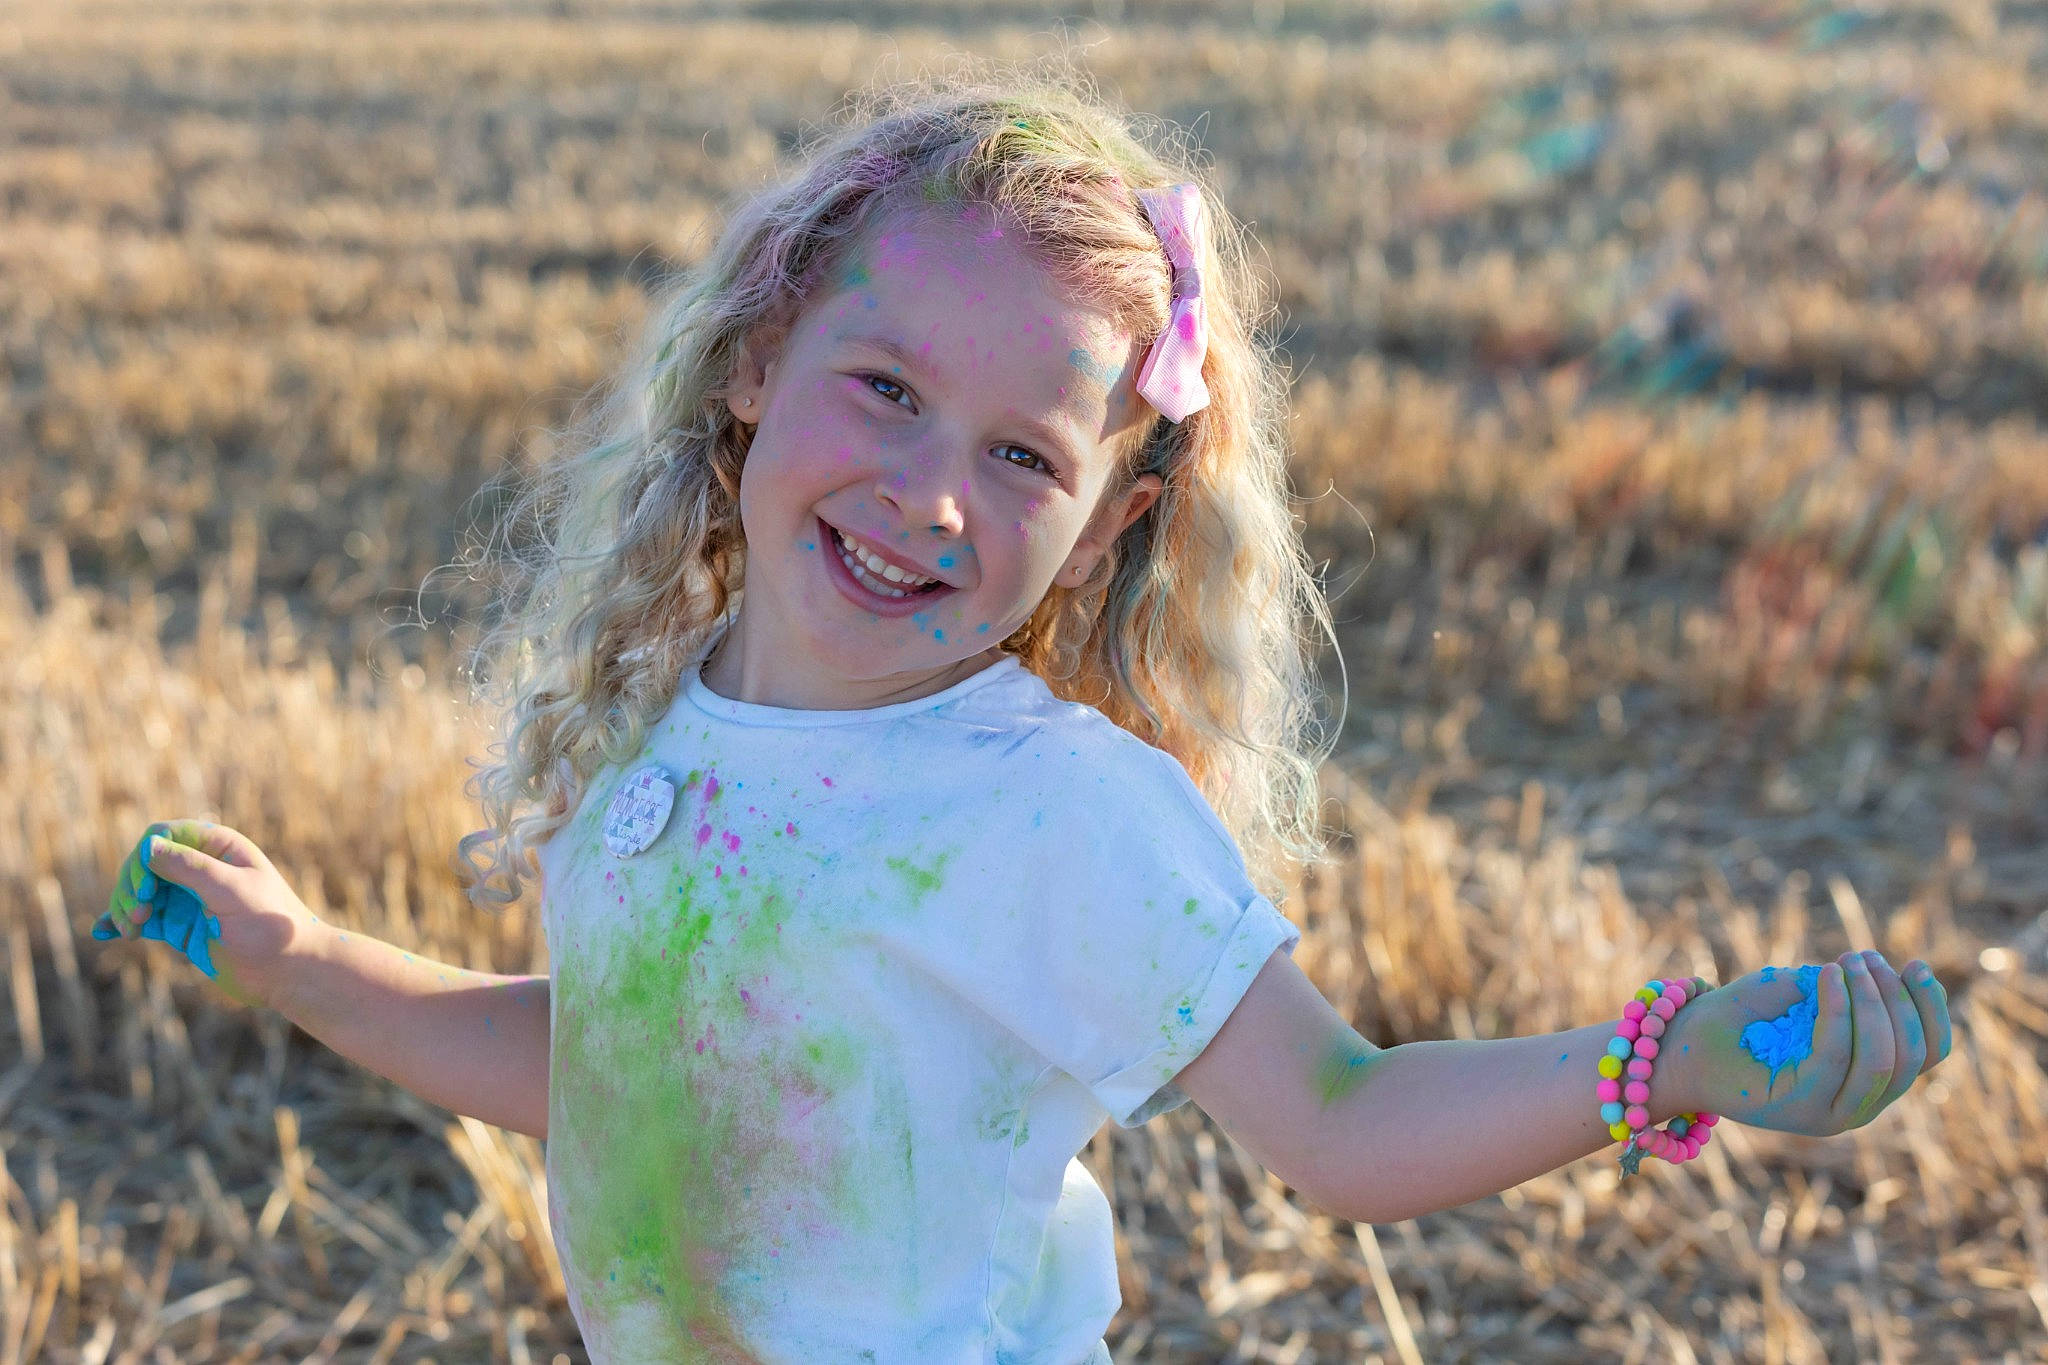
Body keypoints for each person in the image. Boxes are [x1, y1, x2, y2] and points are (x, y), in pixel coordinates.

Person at [96, 62, 1951, 1364]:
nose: (931, 494)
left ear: (1108, 521)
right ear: (754, 365)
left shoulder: (1057, 811)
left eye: (1018, 452)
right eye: (886, 388)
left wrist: (1673, 1058)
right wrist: (311, 959)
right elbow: (629, 1061)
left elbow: (1344, 1118)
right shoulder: (674, 714)